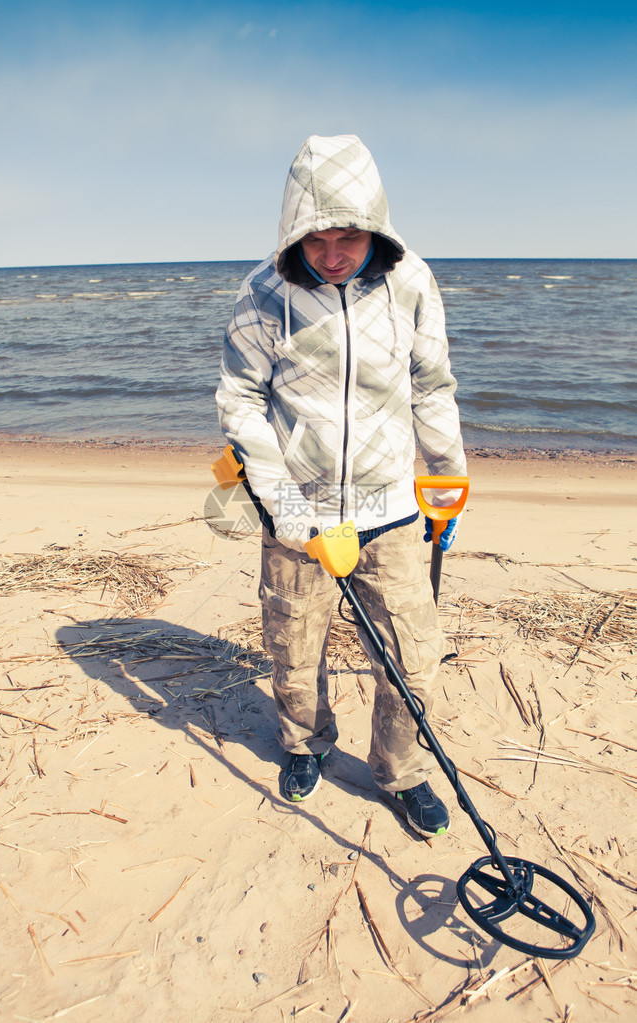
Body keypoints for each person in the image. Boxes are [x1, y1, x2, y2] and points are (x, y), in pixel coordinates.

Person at [216, 134, 467, 837]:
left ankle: (401, 770)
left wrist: (446, 476)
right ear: (293, 229)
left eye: (348, 235)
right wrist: (289, 508)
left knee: (414, 662)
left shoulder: (411, 281)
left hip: (390, 510)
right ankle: (305, 744)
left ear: (375, 227)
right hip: (299, 513)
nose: (332, 253)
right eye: (316, 236)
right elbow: (239, 401)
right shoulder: (262, 295)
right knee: (295, 650)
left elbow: (432, 386)